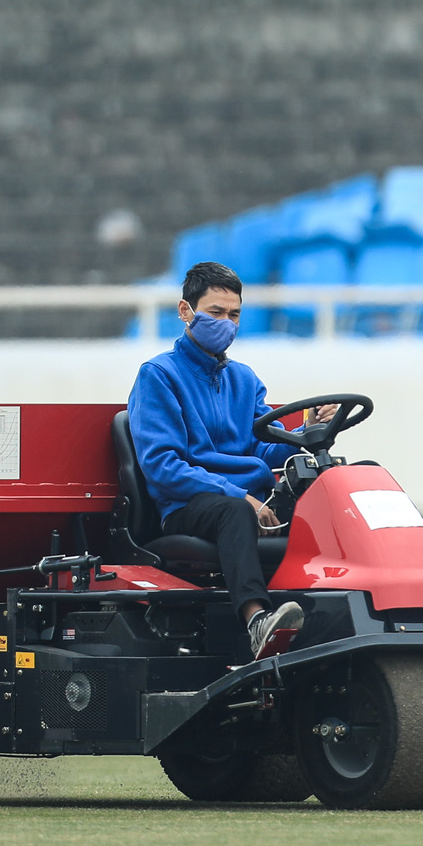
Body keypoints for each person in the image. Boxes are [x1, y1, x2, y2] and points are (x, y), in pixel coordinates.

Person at [126, 260, 329, 660]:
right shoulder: (159, 375)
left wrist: (304, 435)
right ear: (186, 312)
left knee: (340, 482)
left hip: (246, 499)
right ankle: (257, 620)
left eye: (234, 314)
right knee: (234, 511)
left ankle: (338, 606)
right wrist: (243, 496)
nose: (226, 323)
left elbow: (263, 449)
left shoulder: (245, 379)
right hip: (188, 504)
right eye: (215, 313)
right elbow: (164, 466)